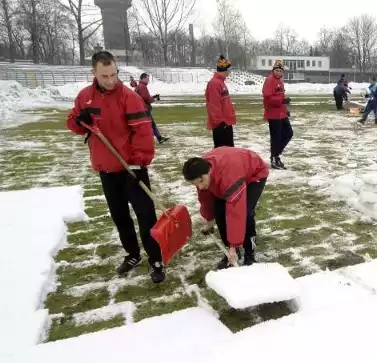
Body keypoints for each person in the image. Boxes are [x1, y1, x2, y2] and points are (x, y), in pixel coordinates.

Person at [65, 51, 165, 283]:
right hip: (107, 169)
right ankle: (132, 254)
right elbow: (74, 124)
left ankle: (155, 259)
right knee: (120, 215)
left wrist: (139, 161)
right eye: (104, 76)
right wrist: (79, 120)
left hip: (132, 167)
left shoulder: (129, 97)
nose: (110, 80)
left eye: (113, 75)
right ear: (94, 73)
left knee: (145, 215)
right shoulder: (84, 97)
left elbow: (142, 131)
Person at [182, 147, 269, 269]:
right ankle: (232, 252)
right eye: (196, 184)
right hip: (229, 173)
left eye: (201, 181)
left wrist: (234, 244)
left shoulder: (229, 177)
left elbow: (236, 212)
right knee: (220, 212)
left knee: (245, 213)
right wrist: (209, 220)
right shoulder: (200, 173)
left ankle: (250, 252)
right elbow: (205, 199)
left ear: (210, 171)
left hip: (254, 174)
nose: (200, 187)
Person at [262, 59, 293, 170]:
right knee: (276, 137)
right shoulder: (269, 80)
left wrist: (285, 110)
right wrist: (282, 101)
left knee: (289, 133)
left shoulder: (280, 81)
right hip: (273, 114)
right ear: (273, 70)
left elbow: (281, 97)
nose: (279, 73)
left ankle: (275, 154)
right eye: (277, 70)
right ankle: (275, 158)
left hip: (281, 113)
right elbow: (268, 98)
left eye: (281, 71)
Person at [206, 55, 236, 148]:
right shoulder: (214, 83)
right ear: (224, 70)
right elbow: (214, 105)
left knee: (229, 151)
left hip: (226, 122)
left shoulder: (221, 82)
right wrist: (220, 123)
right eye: (229, 69)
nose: (230, 72)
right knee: (222, 151)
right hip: (221, 124)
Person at [135, 73, 169, 144]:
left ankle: (159, 138)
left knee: (150, 124)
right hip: (144, 109)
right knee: (150, 125)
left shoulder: (141, 86)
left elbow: (144, 97)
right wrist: (154, 99)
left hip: (142, 108)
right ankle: (158, 138)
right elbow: (146, 98)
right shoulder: (142, 87)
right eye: (147, 79)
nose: (148, 80)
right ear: (143, 79)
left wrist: (153, 97)